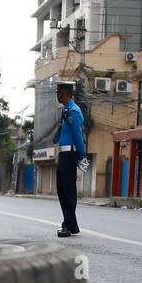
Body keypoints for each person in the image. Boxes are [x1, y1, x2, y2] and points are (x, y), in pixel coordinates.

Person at [53, 80, 89, 238]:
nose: (57, 94)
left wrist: (81, 156)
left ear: (66, 93)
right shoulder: (66, 110)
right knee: (61, 189)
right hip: (63, 154)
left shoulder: (73, 111)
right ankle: (72, 224)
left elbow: (78, 136)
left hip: (70, 154)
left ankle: (67, 225)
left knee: (68, 190)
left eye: (58, 91)